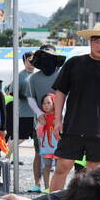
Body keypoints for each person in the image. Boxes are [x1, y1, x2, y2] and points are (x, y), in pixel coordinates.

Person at [50, 23, 100, 192]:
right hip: (73, 124)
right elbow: (61, 92)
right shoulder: (74, 63)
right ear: (90, 42)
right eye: (97, 42)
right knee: (62, 166)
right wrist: (57, 119)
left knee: (96, 172)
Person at [27, 45, 66, 192]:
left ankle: (56, 186)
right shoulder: (33, 78)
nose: (46, 61)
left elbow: (68, 96)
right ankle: (38, 183)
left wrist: (60, 116)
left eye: (49, 58)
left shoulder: (62, 75)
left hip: (60, 121)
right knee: (39, 152)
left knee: (60, 154)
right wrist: (38, 113)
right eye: (43, 58)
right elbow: (31, 99)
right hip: (41, 123)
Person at [5, 51, 36, 162]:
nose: (32, 62)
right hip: (24, 112)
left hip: (38, 114)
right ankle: (6, 157)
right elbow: (12, 92)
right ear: (24, 61)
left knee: (39, 138)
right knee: (20, 137)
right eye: (30, 60)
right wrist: (27, 96)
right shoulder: (20, 76)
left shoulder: (37, 75)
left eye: (34, 60)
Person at [36, 93, 59, 191]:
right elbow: (38, 133)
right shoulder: (42, 117)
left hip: (58, 145)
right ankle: (47, 188)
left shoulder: (59, 117)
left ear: (54, 103)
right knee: (46, 166)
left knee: (59, 168)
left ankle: (58, 187)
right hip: (46, 146)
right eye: (44, 103)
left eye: (48, 103)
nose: (46, 105)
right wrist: (41, 125)